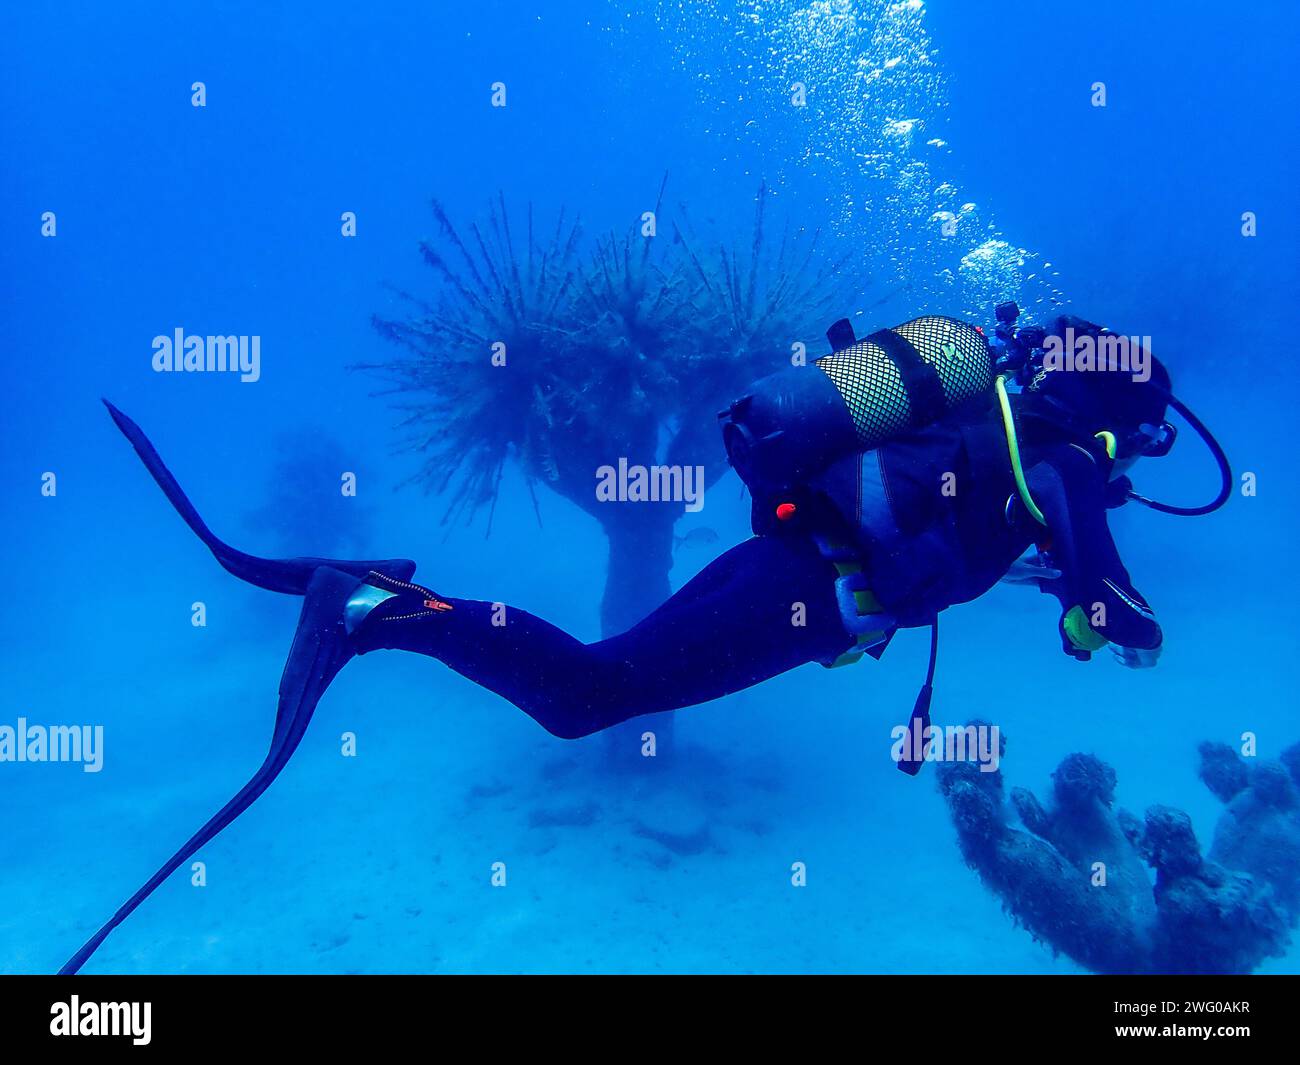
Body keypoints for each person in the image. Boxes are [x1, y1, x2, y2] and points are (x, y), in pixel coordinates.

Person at [62, 306, 1229, 973]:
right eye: (1143, 440)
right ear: (1118, 417)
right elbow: (1105, 602)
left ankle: (373, 602)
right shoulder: (1064, 460)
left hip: (795, 576)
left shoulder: (1010, 442)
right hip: (802, 591)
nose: (1136, 465)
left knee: (598, 689)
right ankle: (371, 609)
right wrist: (1115, 622)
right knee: (591, 694)